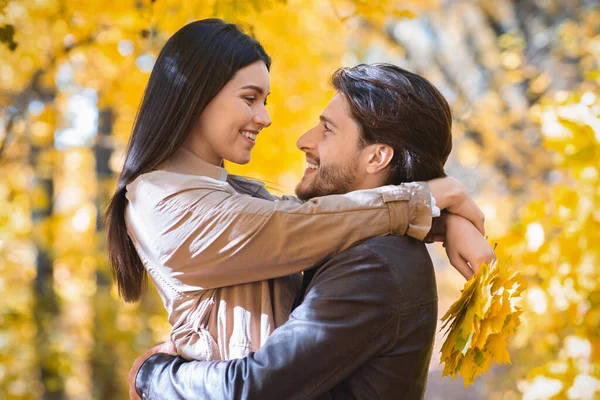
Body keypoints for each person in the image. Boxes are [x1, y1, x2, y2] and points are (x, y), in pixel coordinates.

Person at [104, 18, 487, 365]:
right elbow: (299, 226)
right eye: (249, 98)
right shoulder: (158, 199)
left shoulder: (239, 196)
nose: (265, 118)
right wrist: (432, 198)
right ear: (196, 94)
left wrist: (446, 218)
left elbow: (328, 218)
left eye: (264, 101)